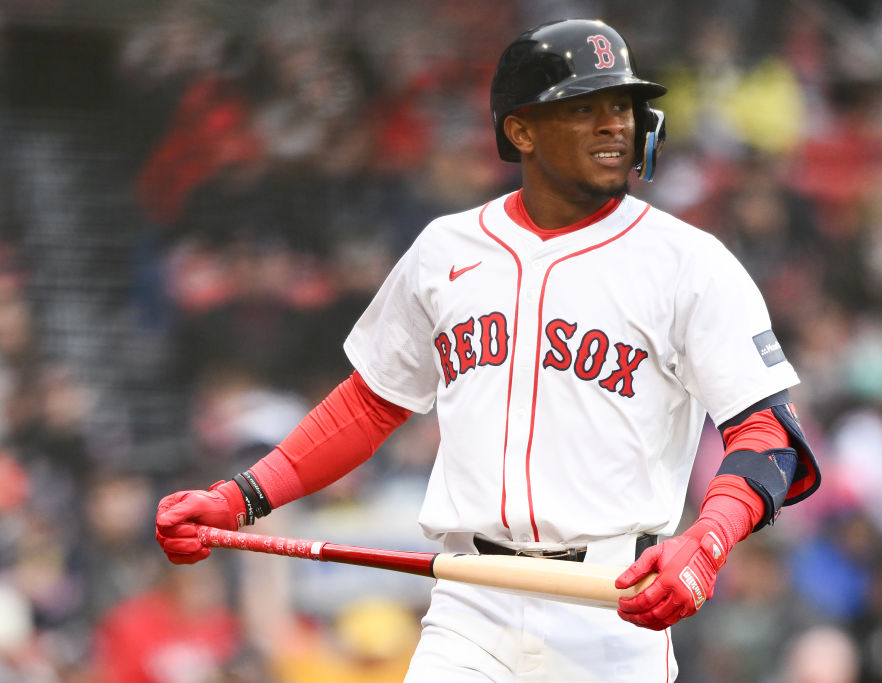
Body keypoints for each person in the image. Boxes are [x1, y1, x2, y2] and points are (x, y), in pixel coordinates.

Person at [155, 18, 820, 682]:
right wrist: (242, 496)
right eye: (584, 107)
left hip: (613, 605)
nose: (614, 124)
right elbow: (369, 403)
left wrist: (708, 538)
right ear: (522, 130)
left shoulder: (689, 262)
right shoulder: (447, 249)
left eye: (622, 105)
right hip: (471, 602)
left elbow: (768, 433)